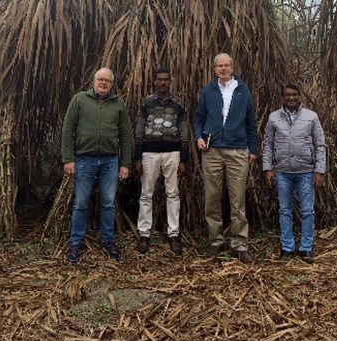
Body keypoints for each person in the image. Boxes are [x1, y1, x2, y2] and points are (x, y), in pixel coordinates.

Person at [61, 67, 132, 264]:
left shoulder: (118, 104)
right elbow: (68, 131)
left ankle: (108, 241)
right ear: (93, 81)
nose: (103, 83)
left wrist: (125, 163)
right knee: (81, 203)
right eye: (100, 79)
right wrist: (68, 159)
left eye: (107, 81)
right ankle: (75, 243)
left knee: (108, 203)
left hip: (110, 161)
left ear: (112, 84)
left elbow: (125, 136)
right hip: (84, 160)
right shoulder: (79, 100)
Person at [193, 53, 258, 264]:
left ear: (232, 67)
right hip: (211, 151)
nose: (223, 69)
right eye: (219, 66)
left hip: (238, 151)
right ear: (214, 69)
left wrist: (253, 149)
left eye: (227, 65)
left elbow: (251, 122)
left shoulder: (243, 90)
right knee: (212, 198)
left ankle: (239, 245)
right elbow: (198, 118)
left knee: (237, 200)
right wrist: (198, 137)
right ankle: (215, 241)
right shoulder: (208, 90)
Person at [262, 83, 326, 263]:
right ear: (282, 97)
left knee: (307, 211)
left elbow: (320, 144)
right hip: (282, 172)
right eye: (288, 95)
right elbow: (268, 144)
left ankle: (306, 248)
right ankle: (287, 248)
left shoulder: (311, 117)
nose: (291, 98)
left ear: (299, 96)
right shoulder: (273, 117)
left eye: (294, 95)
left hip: (306, 171)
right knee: (284, 210)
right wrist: (267, 168)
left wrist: (319, 171)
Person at [134, 67, 188, 256]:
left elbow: (183, 132)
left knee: (173, 194)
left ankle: (173, 235)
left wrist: (183, 159)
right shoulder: (146, 103)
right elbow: (139, 129)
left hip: (172, 153)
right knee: (146, 194)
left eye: (166, 79)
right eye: (159, 79)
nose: (163, 82)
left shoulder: (178, 104)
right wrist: (138, 157)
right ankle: (144, 234)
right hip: (149, 154)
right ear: (154, 82)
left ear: (170, 81)